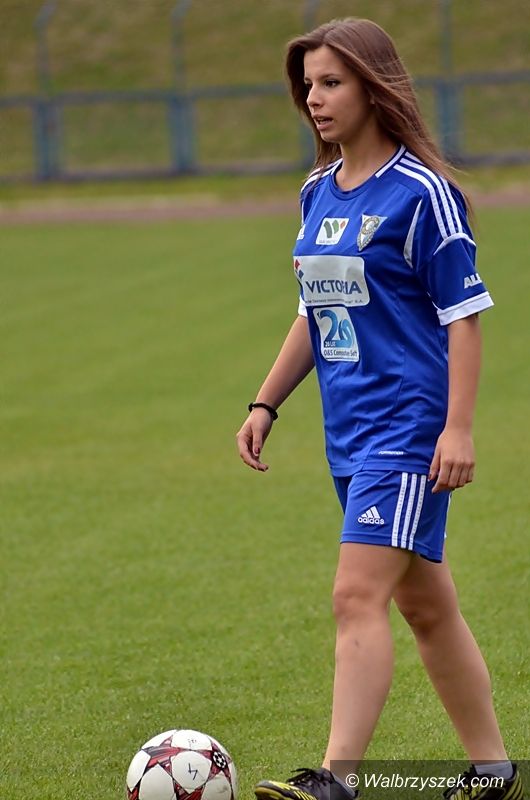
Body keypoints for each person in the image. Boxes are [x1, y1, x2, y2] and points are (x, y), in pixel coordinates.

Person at [235, 17, 523, 800]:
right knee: (426, 606)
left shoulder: (423, 194)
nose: (314, 98)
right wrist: (266, 401)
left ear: (372, 86)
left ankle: (338, 780)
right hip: (350, 434)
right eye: (308, 85)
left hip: (408, 430)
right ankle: (494, 769)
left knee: (355, 595)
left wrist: (457, 428)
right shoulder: (317, 191)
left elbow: (464, 317)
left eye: (331, 82)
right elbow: (314, 310)